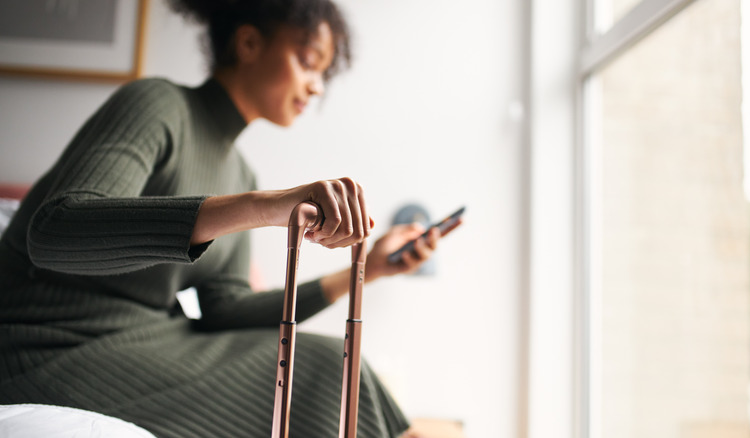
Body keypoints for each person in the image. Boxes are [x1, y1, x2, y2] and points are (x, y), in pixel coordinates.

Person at [0, 1, 448, 436]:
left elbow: (224, 310)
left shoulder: (239, 170)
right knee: (321, 375)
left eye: (323, 74)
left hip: (152, 338)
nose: (316, 86)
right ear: (249, 43)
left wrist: (367, 270)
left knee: (337, 362)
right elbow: (55, 229)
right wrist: (265, 206)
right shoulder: (156, 104)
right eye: (308, 62)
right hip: (47, 345)